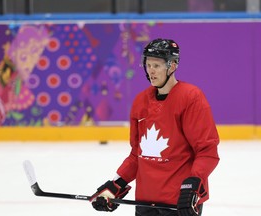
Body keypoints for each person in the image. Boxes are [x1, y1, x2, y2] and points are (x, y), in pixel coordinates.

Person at [90, 38, 220, 216]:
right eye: (148, 65)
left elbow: (207, 151)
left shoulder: (191, 98)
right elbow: (137, 155)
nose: (151, 70)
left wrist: (193, 187)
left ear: (172, 66)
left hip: (179, 203)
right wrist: (116, 184)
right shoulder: (140, 101)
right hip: (145, 202)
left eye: (156, 66)